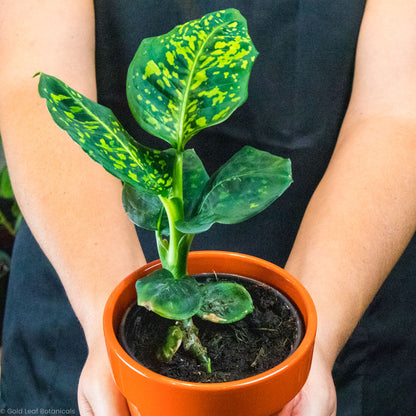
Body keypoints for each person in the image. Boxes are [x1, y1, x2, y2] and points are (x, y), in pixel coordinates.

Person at [0, 1, 415, 415]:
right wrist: (111, 336)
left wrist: (305, 355)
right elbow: (33, 69)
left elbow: (398, 110)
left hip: (346, 280)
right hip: (87, 267)